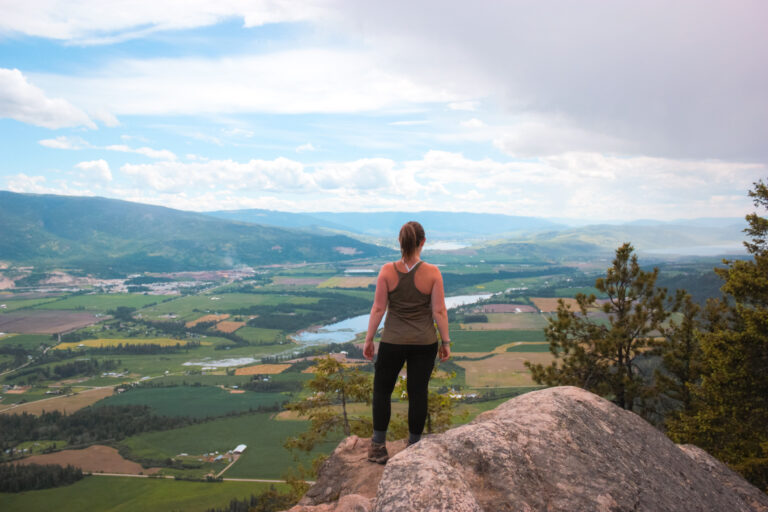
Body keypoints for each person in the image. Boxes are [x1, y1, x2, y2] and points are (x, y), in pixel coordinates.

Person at [363, 221, 451, 464]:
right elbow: (440, 311)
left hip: (392, 341)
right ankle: (414, 446)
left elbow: (379, 308)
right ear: (423, 242)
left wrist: (369, 339)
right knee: (417, 392)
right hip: (424, 342)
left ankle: (378, 446)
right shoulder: (432, 272)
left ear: (400, 243)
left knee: (382, 390)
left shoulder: (387, 271)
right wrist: (446, 342)